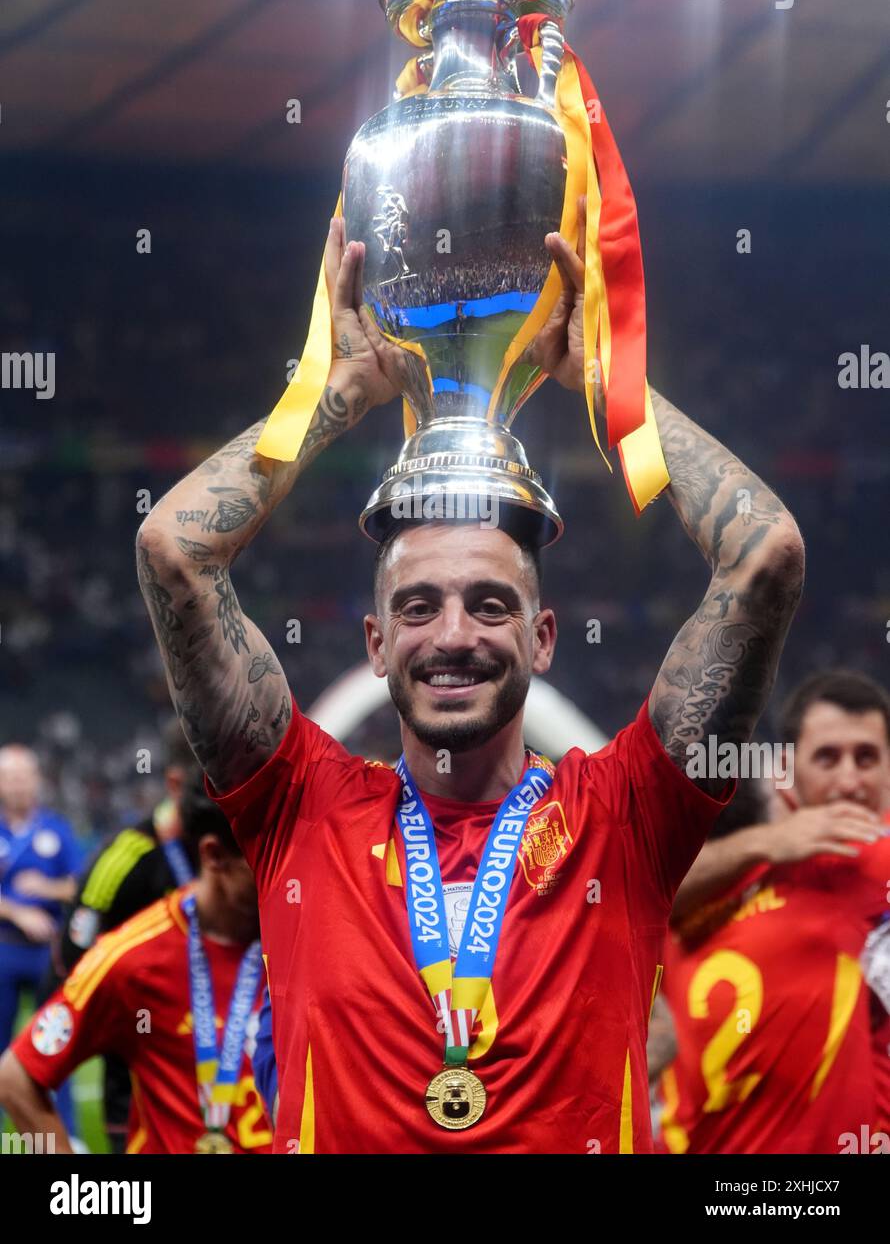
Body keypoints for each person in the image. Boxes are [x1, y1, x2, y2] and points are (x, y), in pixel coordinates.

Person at [134, 210, 804, 1153]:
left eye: (490, 606)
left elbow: (764, 557)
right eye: (418, 608)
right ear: (375, 644)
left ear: (543, 639)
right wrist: (327, 397)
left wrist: (609, 393)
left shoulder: (626, 816)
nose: (453, 635)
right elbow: (174, 553)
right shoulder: (302, 807)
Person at [659, 670, 890, 1154]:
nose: (850, 780)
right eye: (827, 758)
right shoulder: (731, 868)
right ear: (785, 770)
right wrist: (769, 842)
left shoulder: (873, 860)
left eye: (866, 758)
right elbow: (649, 894)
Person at [0, 778, 272, 1155]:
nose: (285, 870)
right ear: (213, 856)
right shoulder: (133, 956)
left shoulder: (302, 937)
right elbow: (16, 1077)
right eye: (268, 857)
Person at [57, 717, 199, 1153]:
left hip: (236, 1090)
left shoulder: (250, 849)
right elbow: (73, 959)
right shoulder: (126, 857)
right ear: (177, 784)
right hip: (141, 1093)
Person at [0, 745, 79, 1135]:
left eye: (23, 776)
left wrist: (43, 888)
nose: (17, 784)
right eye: (10, 777)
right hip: (3, 950)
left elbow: (79, 886)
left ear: (36, 781)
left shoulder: (56, 830)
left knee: (55, 1041)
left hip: (46, 955)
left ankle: (67, 1133)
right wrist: (17, 911)